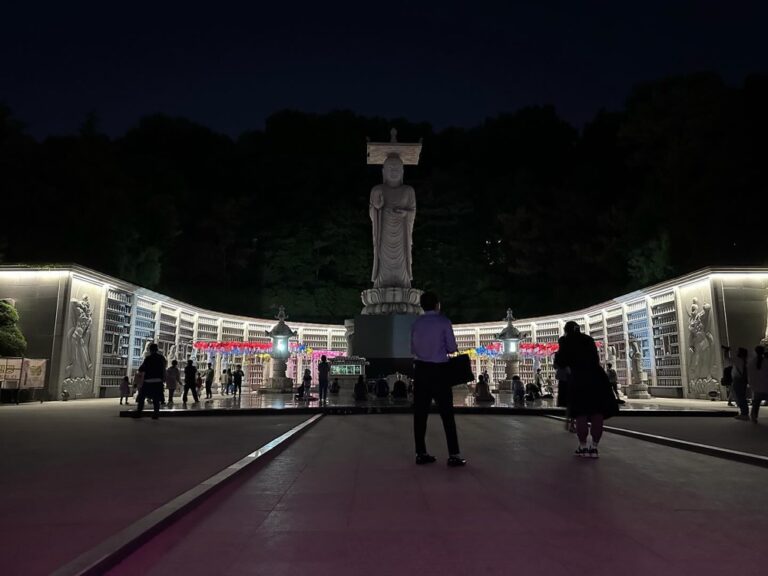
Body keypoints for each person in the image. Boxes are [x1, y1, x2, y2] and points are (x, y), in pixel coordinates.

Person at [410, 291, 466, 467]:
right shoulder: (443, 321)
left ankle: (421, 452)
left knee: (420, 415)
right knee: (447, 414)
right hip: (440, 371)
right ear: (437, 304)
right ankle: (453, 454)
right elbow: (451, 347)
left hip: (421, 370)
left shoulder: (416, 323)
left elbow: (413, 348)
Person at [558, 321, 618, 458]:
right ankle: (594, 447)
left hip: (579, 379)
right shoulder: (589, 339)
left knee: (581, 414)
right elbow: (595, 358)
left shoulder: (565, 340)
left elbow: (562, 361)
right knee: (597, 413)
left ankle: (583, 446)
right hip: (597, 377)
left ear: (566, 330)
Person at [136, 343, 165, 419]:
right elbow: (163, 369)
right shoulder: (161, 358)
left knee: (141, 397)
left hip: (148, 380)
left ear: (150, 350)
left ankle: (139, 413)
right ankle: (156, 414)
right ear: (157, 349)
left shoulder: (148, 358)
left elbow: (141, 369)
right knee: (156, 399)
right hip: (158, 381)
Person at [747, 345, 768, 422]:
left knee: (756, 403)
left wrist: (752, 384)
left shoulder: (751, 362)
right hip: (766, 385)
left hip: (756, 386)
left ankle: (754, 416)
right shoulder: (766, 362)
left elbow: (750, 375)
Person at [554, 351, 574, 431]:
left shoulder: (558, 354)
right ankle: (572, 424)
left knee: (568, 403)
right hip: (571, 380)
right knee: (572, 402)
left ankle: (568, 422)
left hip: (562, 381)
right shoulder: (573, 353)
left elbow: (555, 366)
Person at [732, 347, 750, 420]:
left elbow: (729, 360)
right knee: (741, 397)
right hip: (741, 380)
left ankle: (744, 414)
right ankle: (744, 413)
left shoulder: (739, 360)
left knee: (740, 397)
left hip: (738, 380)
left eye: (738, 352)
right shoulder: (744, 361)